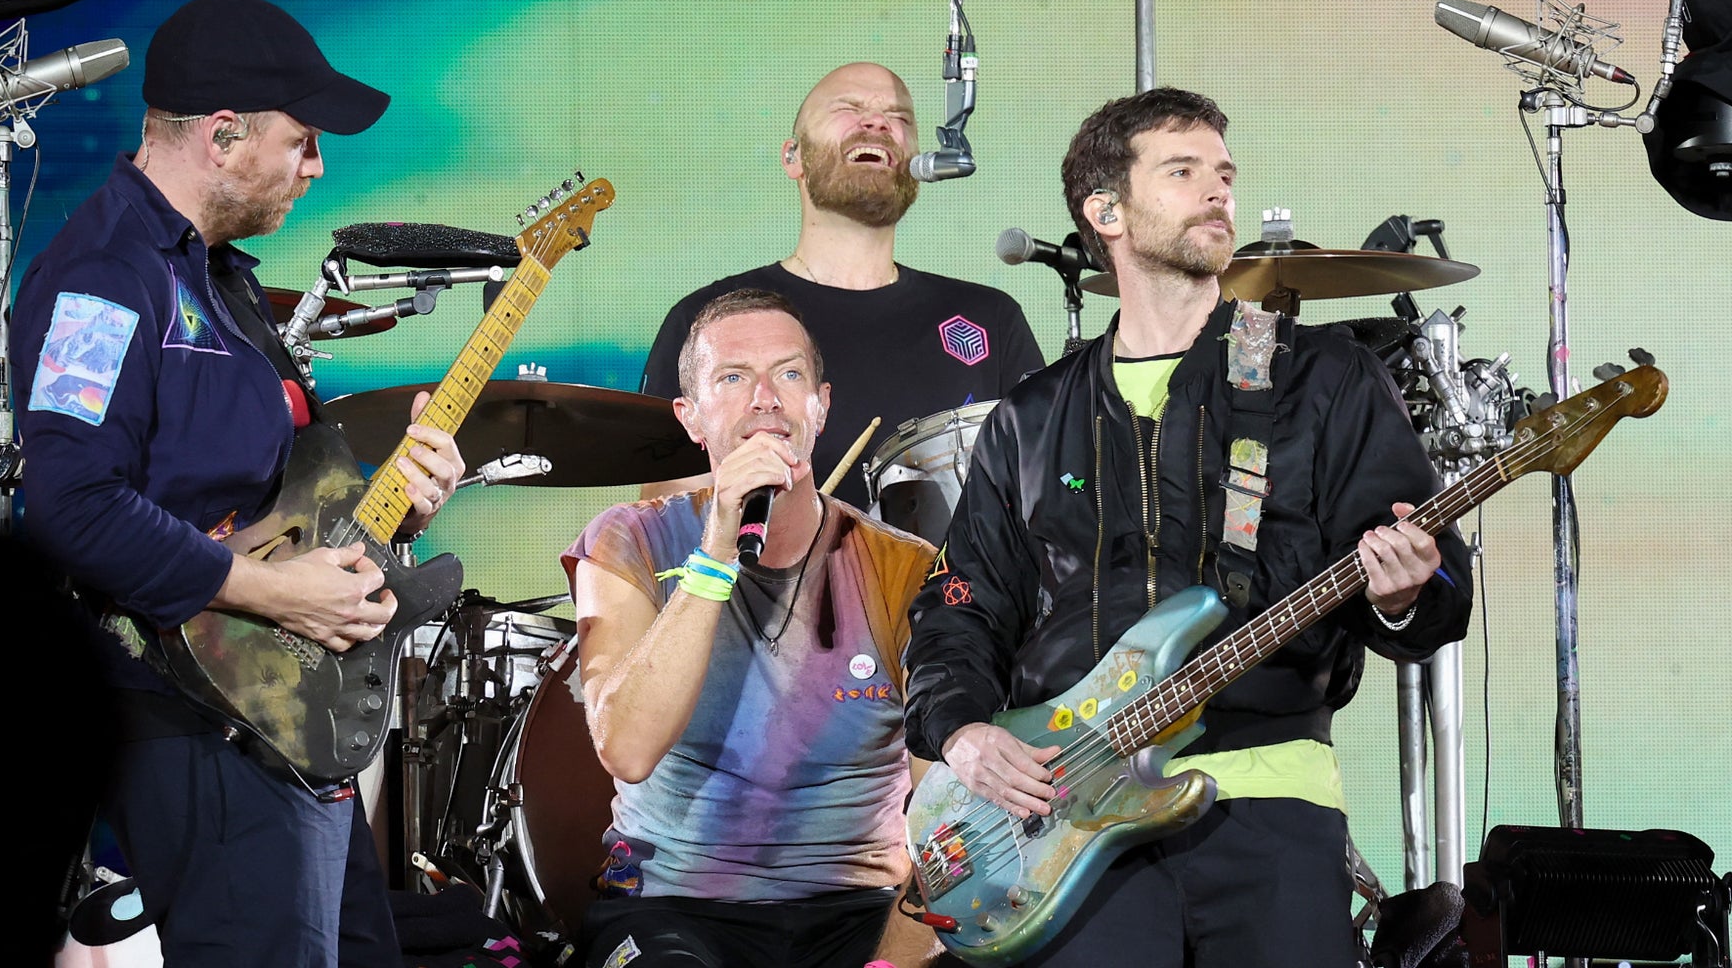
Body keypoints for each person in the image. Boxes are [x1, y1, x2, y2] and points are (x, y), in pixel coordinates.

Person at [900, 88, 1474, 967]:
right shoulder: (1031, 417)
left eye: (1225, 174)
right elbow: (960, 607)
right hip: (1062, 824)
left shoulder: (1322, 377)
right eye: (1182, 171)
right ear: (1106, 212)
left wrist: (1404, 593)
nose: (1218, 190)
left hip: (1271, 804)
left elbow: (1434, 587)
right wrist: (961, 730)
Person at [9, 0, 464, 968]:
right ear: (222, 137)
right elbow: (71, 505)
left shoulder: (221, 278)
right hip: (196, 716)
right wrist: (275, 592)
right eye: (301, 141)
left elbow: (271, 503)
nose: (317, 166)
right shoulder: (103, 276)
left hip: (279, 712)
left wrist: (397, 500)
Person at [564, 289, 940, 968]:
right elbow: (627, 749)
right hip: (673, 907)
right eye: (733, 378)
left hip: (860, 909)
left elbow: (951, 815)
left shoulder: (905, 568)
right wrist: (714, 553)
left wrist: (893, 961)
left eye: (788, 374)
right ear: (691, 417)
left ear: (820, 406)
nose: (765, 398)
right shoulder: (628, 541)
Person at [639, 63, 1043, 512]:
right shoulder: (710, 322)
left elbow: (1042, 492)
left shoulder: (990, 318)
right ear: (793, 157)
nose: (877, 122)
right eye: (849, 108)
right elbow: (667, 522)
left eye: (900, 117)